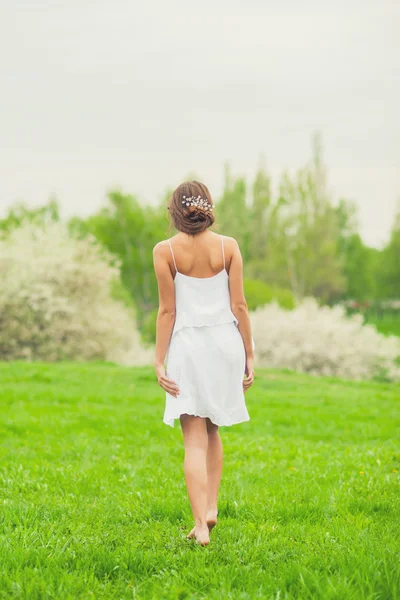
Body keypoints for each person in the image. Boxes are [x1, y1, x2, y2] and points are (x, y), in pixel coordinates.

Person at [153, 180, 255, 546]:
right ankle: (211, 506)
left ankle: (200, 526)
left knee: (194, 440)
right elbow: (239, 306)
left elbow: (167, 310)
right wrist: (249, 354)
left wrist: (159, 360)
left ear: (175, 212)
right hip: (226, 345)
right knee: (213, 430)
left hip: (189, 348)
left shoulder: (165, 251)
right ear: (207, 207)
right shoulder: (228, 247)